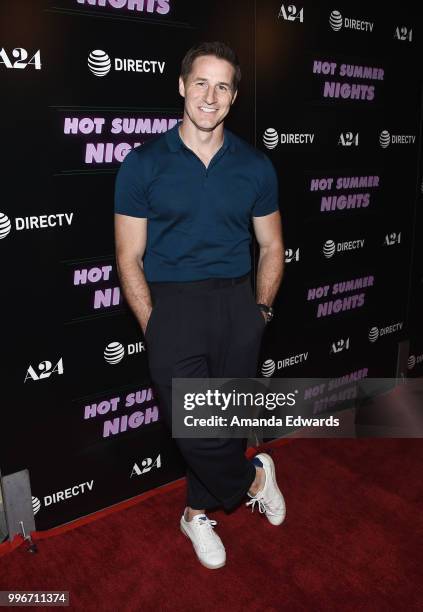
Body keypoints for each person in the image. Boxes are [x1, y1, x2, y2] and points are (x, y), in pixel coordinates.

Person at [114, 41, 285, 570]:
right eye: (202, 83)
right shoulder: (142, 164)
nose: (211, 96)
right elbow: (128, 256)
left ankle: (195, 513)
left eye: (223, 86)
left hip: (237, 304)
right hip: (175, 308)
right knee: (195, 428)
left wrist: (260, 311)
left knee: (222, 423)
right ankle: (256, 476)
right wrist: (153, 323)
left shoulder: (255, 166)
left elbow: (273, 246)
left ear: (233, 97)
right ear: (183, 86)